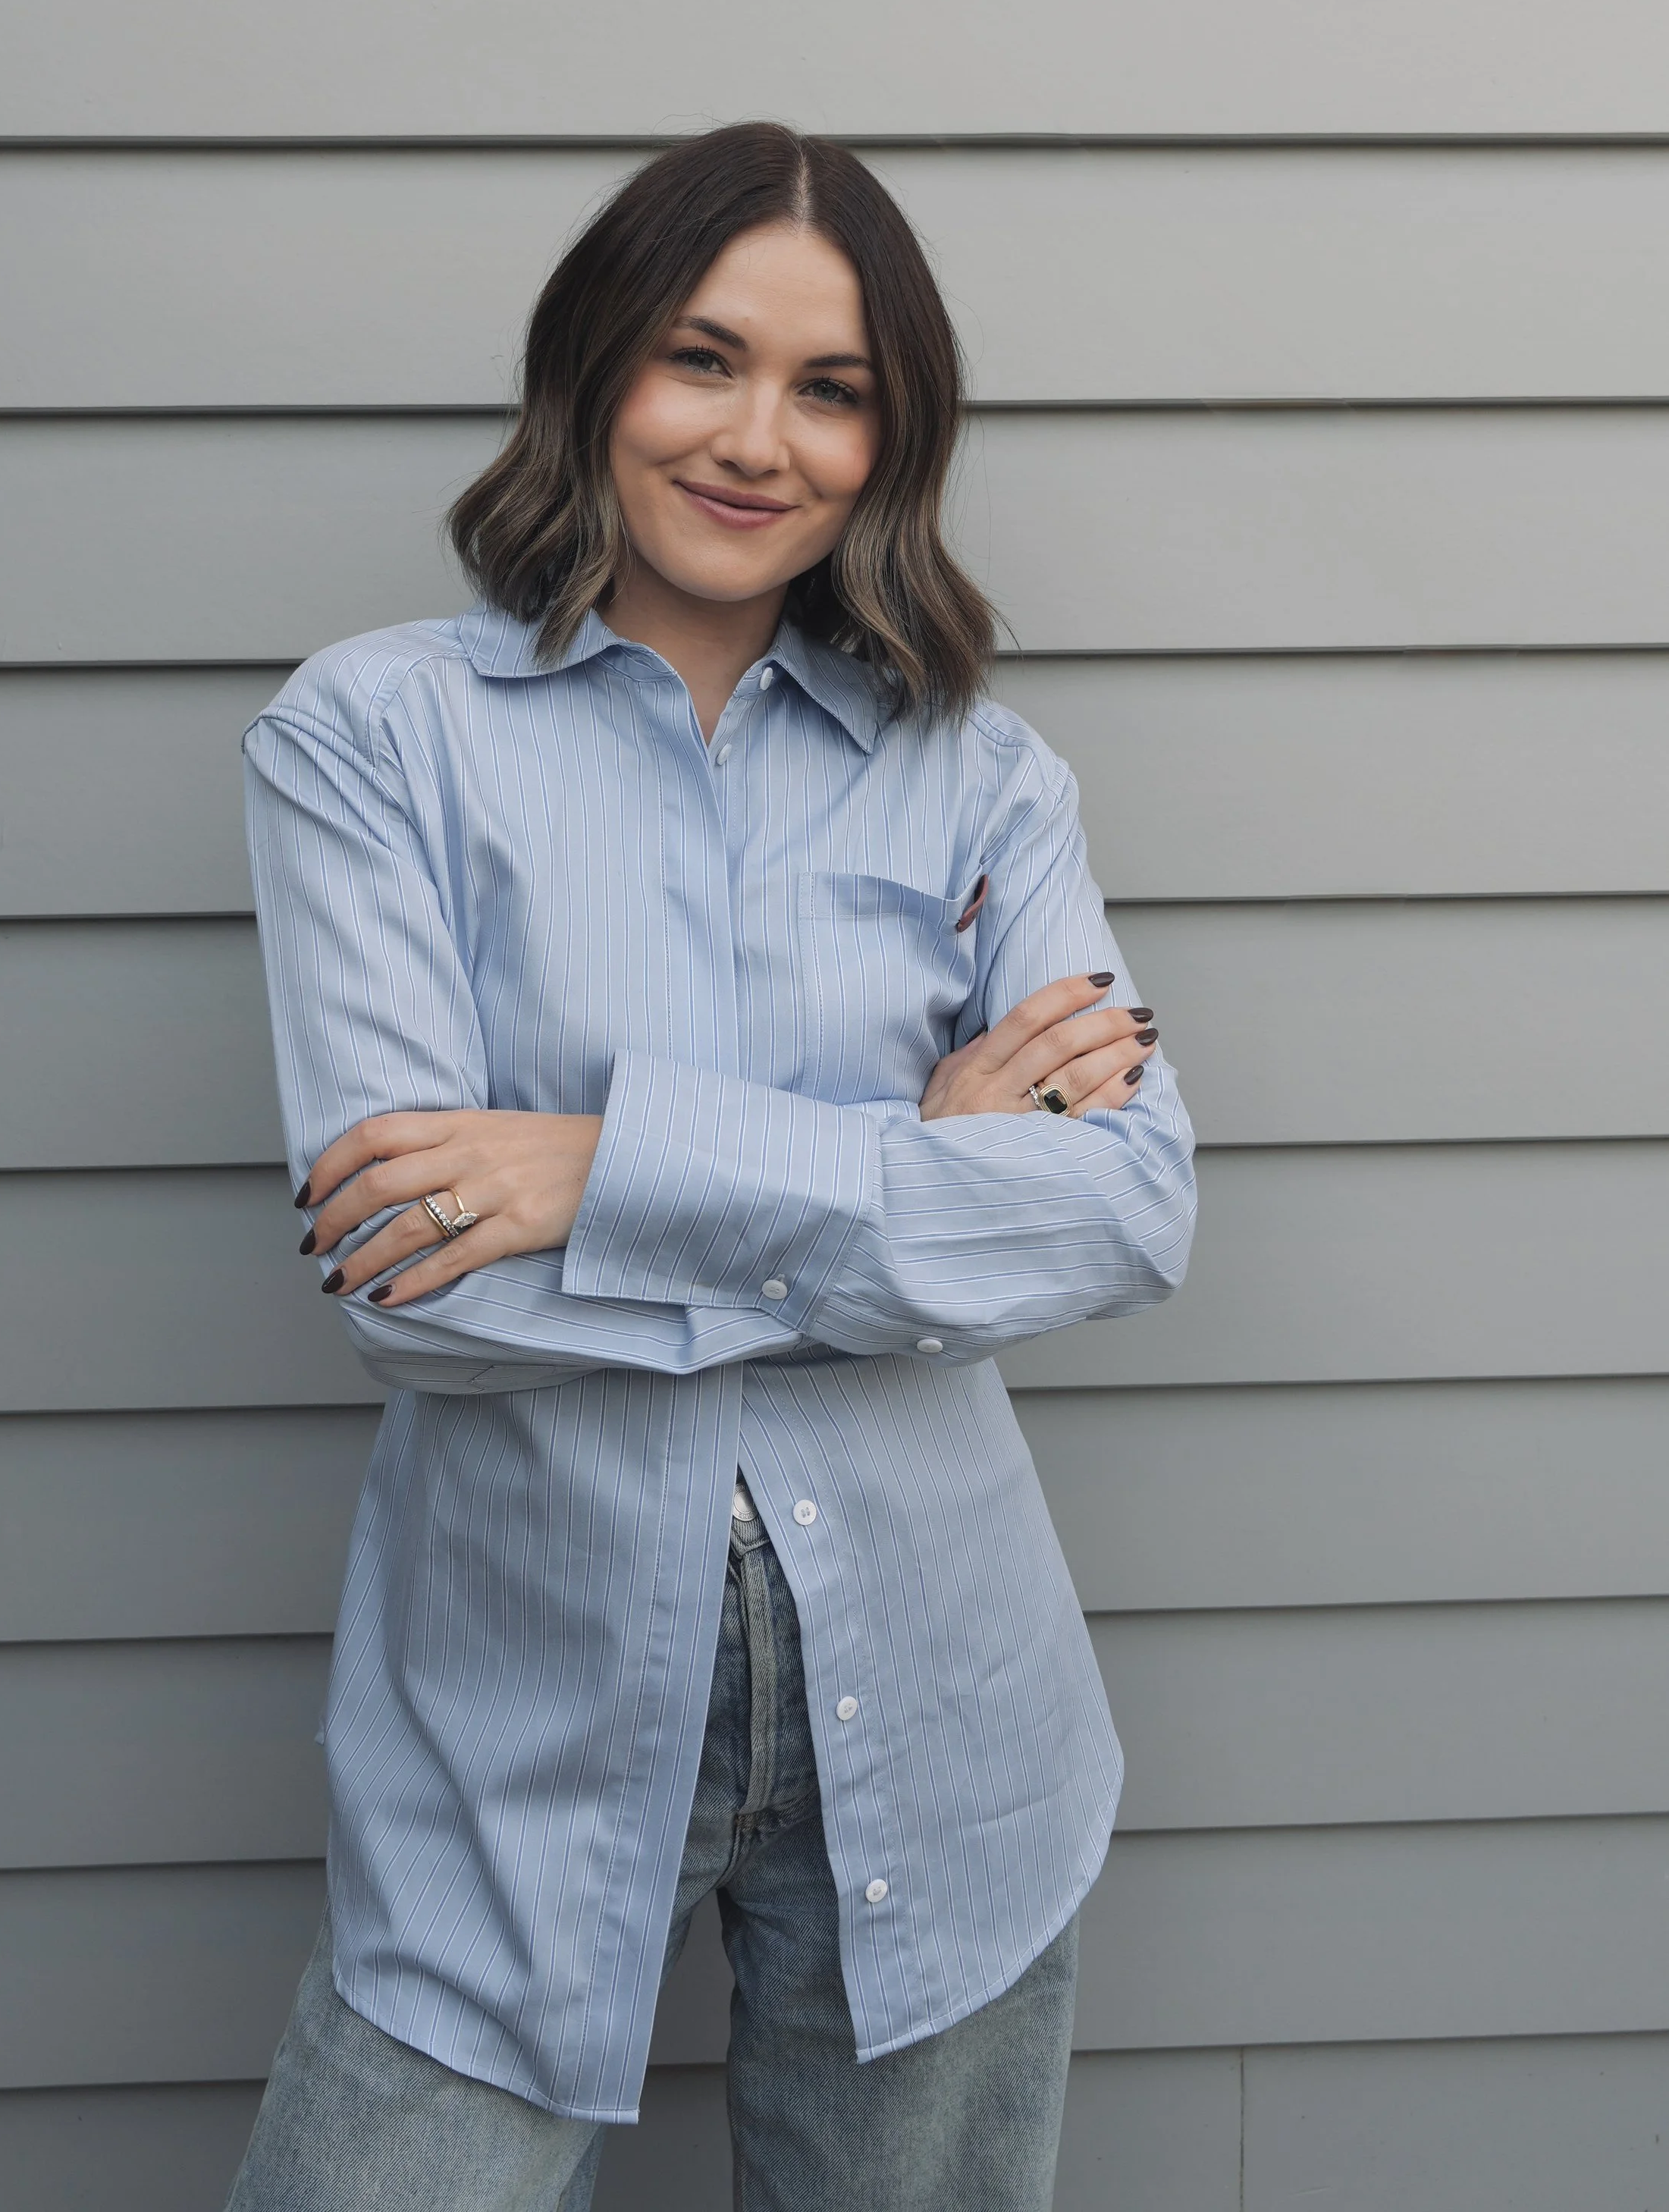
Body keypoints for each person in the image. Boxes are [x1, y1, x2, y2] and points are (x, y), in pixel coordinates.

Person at [227, 122, 1195, 2212]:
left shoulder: (984, 780)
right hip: (520, 1719)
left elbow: (1125, 1208)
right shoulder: (375, 740)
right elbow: (420, 1279)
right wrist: (912, 1177)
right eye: (700, 357)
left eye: (831, 388)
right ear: (594, 370)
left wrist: (600, 1165)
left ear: (892, 437)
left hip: (946, 1710)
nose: (759, 437)